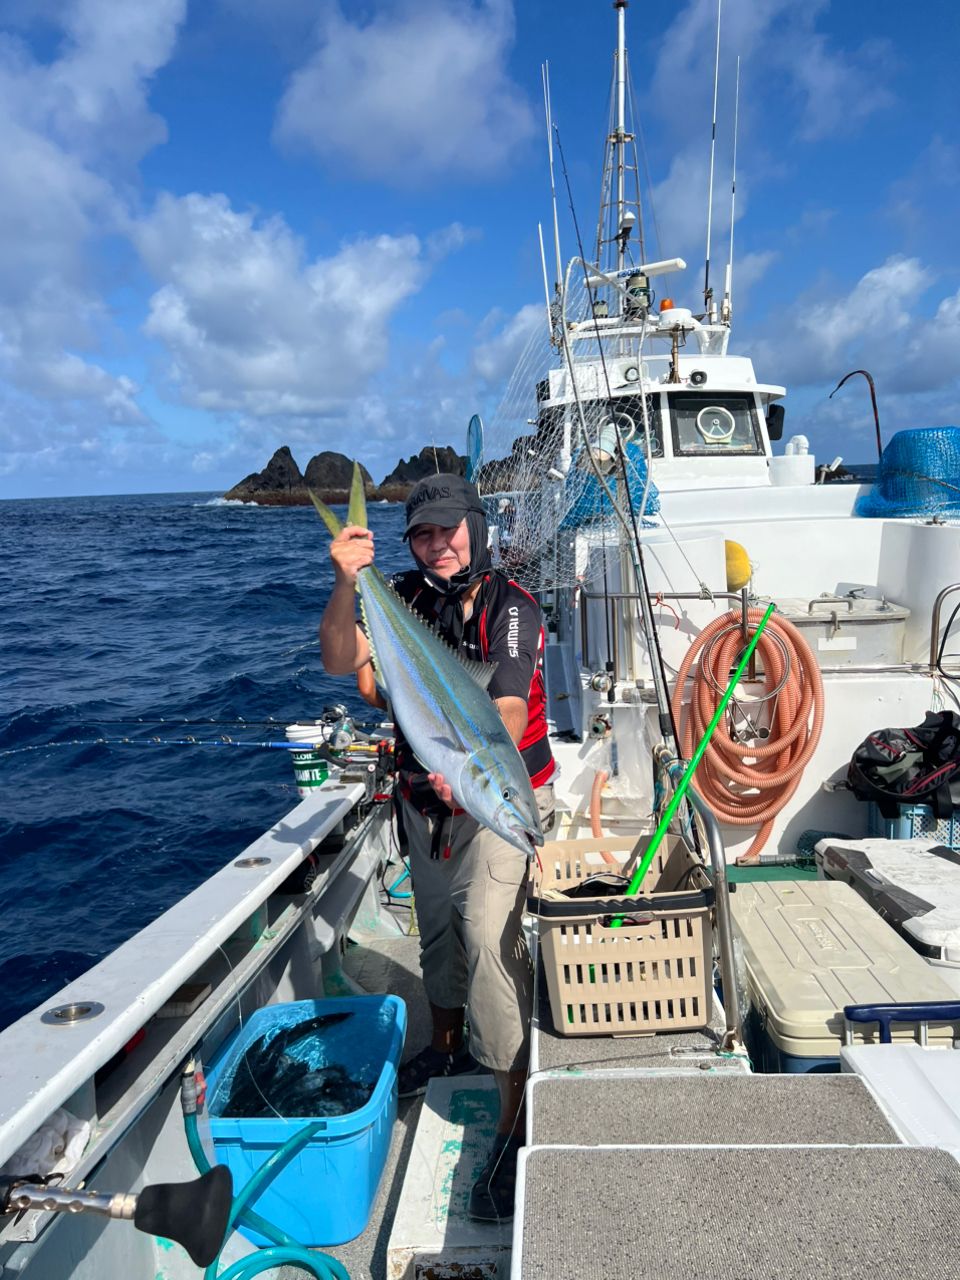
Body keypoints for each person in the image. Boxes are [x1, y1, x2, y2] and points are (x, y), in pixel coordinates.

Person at [319, 474, 555, 1222]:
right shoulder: (403, 599)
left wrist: (473, 776)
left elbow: (508, 706)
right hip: (426, 805)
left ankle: (515, 1112)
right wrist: (346, 582)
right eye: (422, 533)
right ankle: (446, 1043)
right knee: (438, 935)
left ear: (477, 527)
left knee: (487, 937)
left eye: (449, 529)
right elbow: (345, 668)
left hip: (497, 798)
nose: (438, 544)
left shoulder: (511, 606)